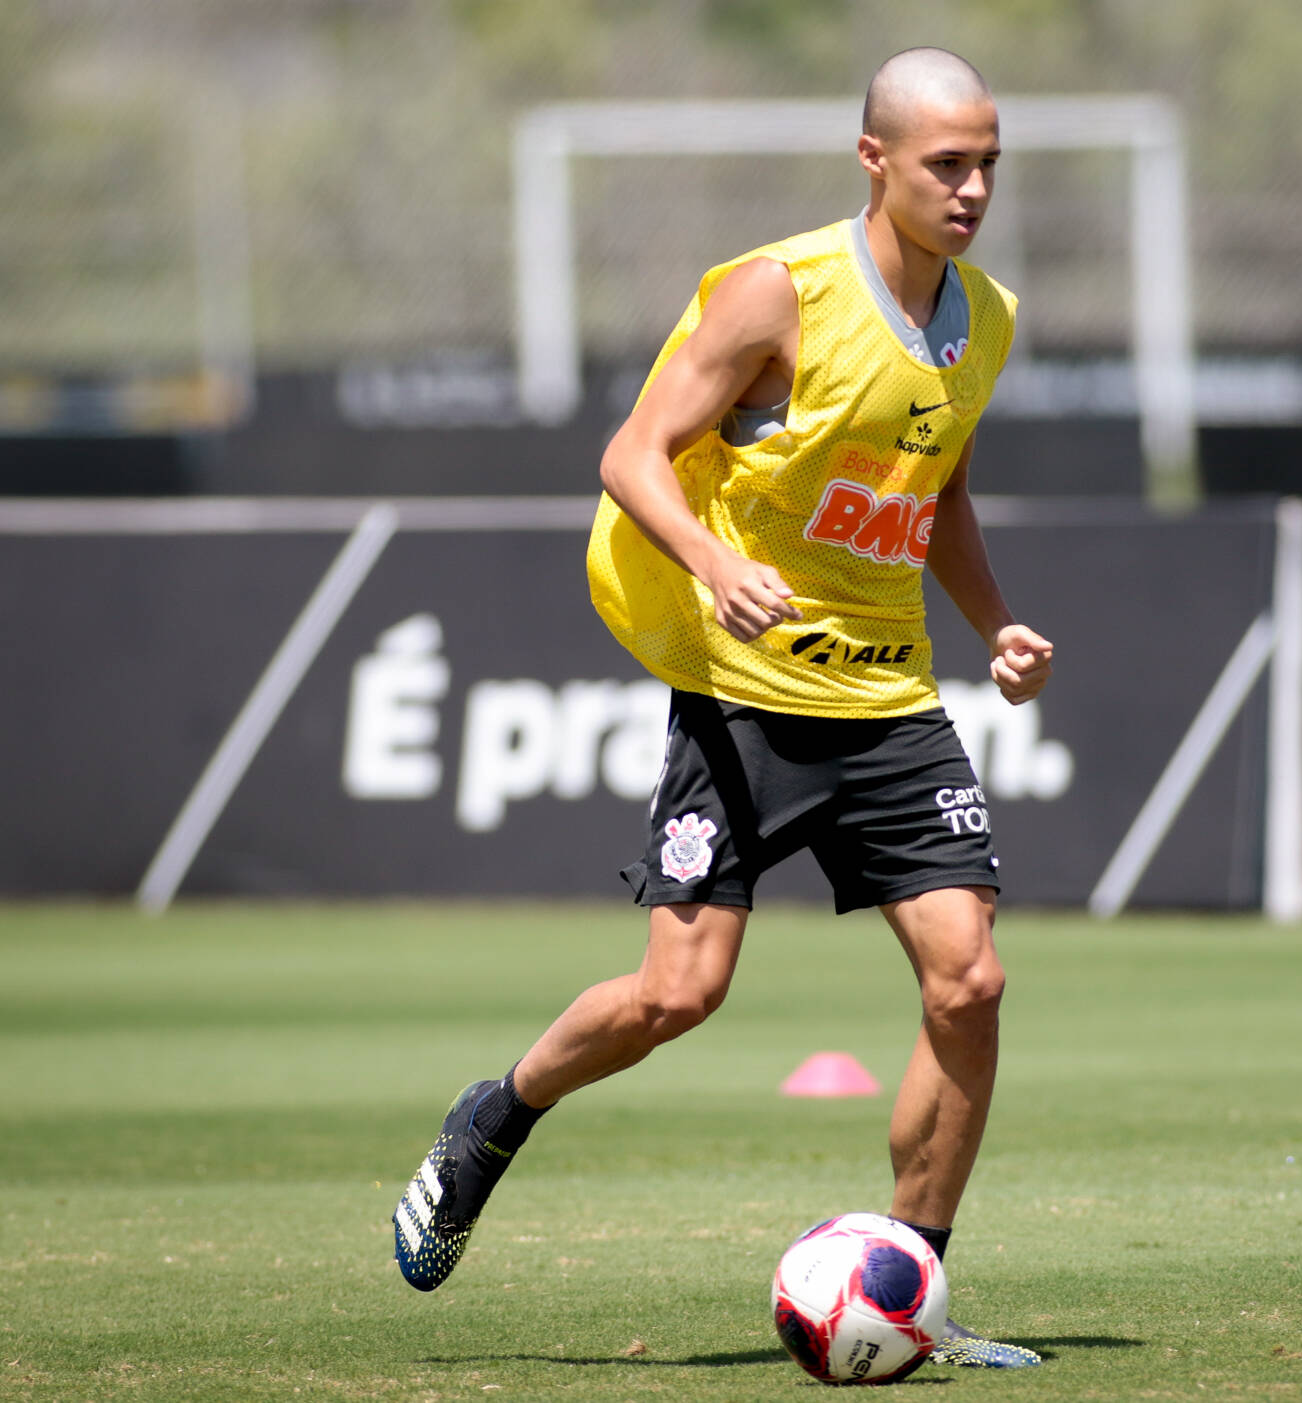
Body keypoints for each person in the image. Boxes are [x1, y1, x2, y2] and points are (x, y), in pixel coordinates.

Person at [389, 47, 1052, 1370]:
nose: (973, 187)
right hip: (743, 702)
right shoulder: (778, 294)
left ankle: (913, 1280)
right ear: (875, 160)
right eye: (946, 164)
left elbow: (940, 494)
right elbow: (632, 453)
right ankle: (492, 1120)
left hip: (889, 698)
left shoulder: (988, 316)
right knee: (675, 997)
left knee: (969, 981)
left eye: (987, 162)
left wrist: (996, 628)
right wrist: (715, 561)